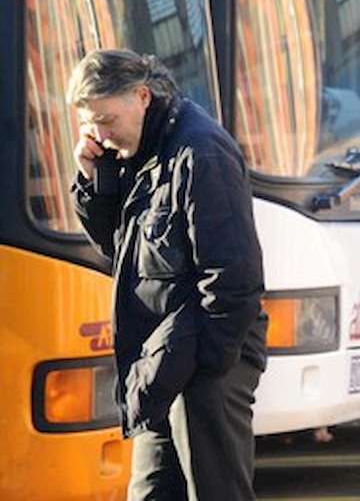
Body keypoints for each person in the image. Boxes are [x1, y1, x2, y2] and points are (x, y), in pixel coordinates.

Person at [69, 49, 268, 501]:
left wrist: (209, 371)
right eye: (89, 123)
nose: (101, 133)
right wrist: (94, 178)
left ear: (141, 96)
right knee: (151, 492)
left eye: (106, 119)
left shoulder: (199, 151)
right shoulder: (140, 151)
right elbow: (119, 251)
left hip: (202, 360)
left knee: (214, 491)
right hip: (162, 361)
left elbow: (233, 276)